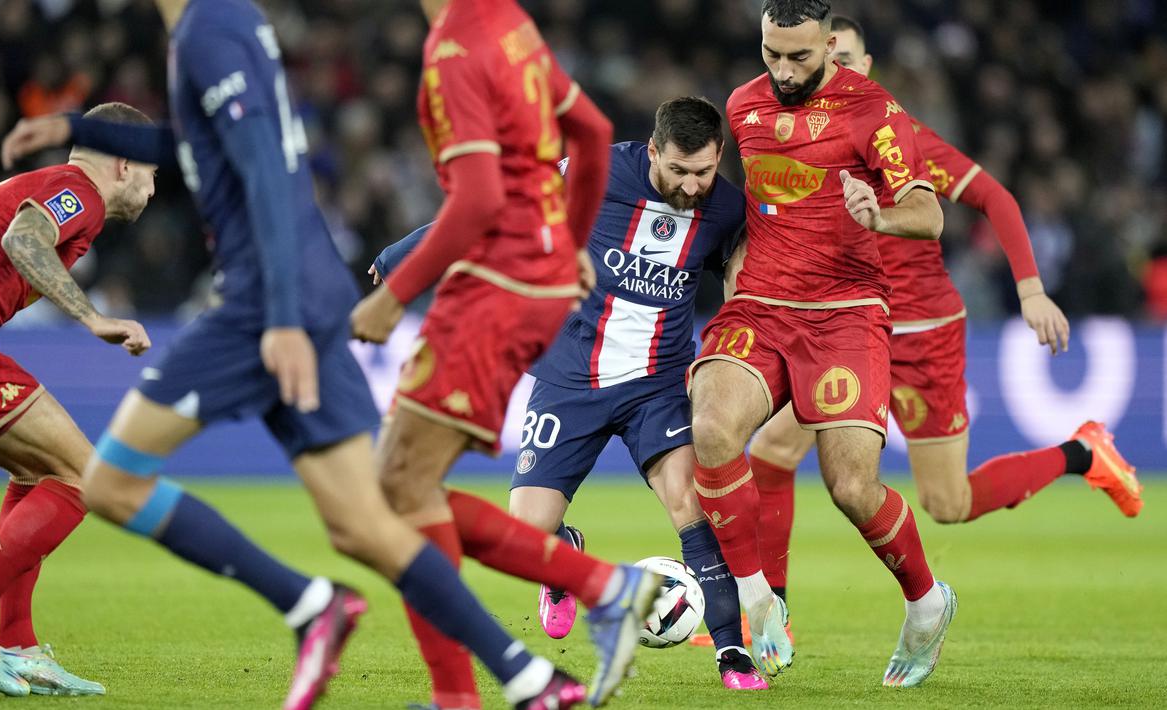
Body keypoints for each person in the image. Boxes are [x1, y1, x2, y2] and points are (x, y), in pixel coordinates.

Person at [0, 1, 596, 708]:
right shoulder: (226, 24)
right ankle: (537, 674)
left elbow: (256, 164)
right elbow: (201, 141)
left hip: (262, 296)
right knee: (367, 523)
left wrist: (278, 316)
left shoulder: (207, 29)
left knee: (110, 481)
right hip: (303, 287)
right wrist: (75, 128)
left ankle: (309, 605)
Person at [742, 15, 1143, 620]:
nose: (835, 74)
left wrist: (1031, 291)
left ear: (864, 65)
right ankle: (768, 613)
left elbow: (994, 199)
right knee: (772, 451)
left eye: (847, 61)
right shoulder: (792, 130)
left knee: (948, 502)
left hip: (920, 331)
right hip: (843, 328)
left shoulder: (898, 131)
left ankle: (1083, 454)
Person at [374, 97, 764, 691]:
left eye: (704, 173)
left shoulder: (727, 207)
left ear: (719, 161)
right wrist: (407, 258)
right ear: (654, 150)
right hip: (570, 377)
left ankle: (733, 653)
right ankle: (564, 554)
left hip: (657, 383)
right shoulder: (597, 171)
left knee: (691, 502)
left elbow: (742, 267)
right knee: (526, 530)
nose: (690, 187)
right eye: (678, 171)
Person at [350, 1, 661, 707]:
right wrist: (572, 243)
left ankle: (484, 675)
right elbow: (591, 129)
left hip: (492, 288)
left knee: (393, 492)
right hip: (533, 281)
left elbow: (479, 196)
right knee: (402, 491)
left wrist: (395, 292)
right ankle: (595, 595)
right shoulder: (508, 24)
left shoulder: (455, 47)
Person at [687, 0, 955, 688]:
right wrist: (730, 261)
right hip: (760, 306)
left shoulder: (872, 110)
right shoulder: (742, 105)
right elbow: (752, 202)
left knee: (850, 486)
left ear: (829, 47)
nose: (780, 69)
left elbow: (929, 214)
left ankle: (926, 602)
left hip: (844, 312)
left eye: (797, 57)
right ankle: (757, 600)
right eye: (770, 53)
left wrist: (881, 214)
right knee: (712, 428)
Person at [0, 101, 156, 697]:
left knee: (38, 468)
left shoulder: (45, 186)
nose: (153, 187)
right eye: (152, 172)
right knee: (86, 478)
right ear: (123, 164)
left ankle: (19, 642)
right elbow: (21, 239)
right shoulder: (75, 191)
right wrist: (93, 317)